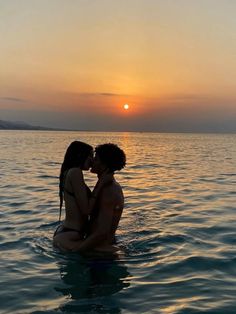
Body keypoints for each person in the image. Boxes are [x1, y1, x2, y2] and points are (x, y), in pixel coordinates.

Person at [53, 143, 126, 254]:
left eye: (95, 158)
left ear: (104, 164)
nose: (92, 161)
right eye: (91, 157)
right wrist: (77, 251)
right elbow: (99, 228)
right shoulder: (104, 185)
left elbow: (101, 232)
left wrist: (78, 250)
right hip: (73, 236)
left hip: (72, 235)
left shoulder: (109, 190)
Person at [53, 141, 109, 243]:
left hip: (67, 231)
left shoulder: (68, 172)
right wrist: (100, 183)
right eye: (90, 156)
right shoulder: (75, 172)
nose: (92, 160)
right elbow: (86, 210)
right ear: (81, 156)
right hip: (72, 233)